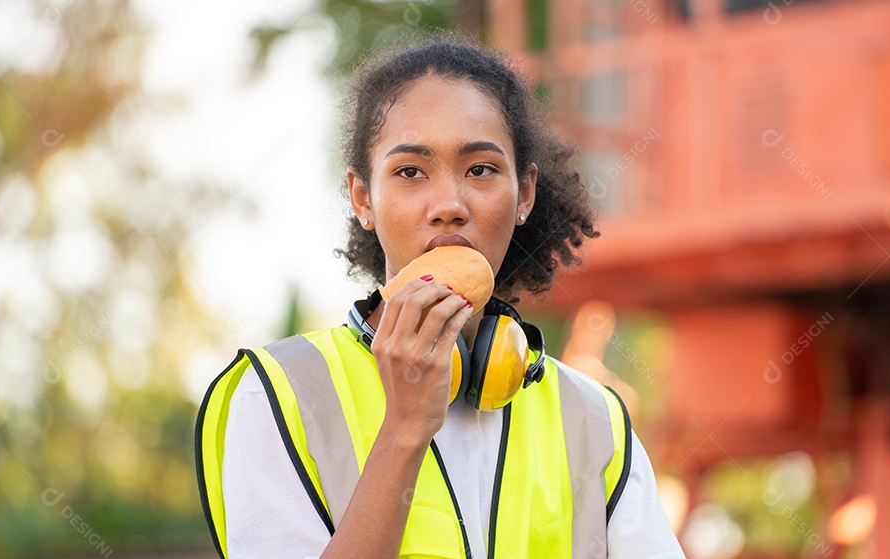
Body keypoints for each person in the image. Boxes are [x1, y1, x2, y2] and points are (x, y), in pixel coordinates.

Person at [195, 33, 685, 559]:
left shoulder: (594, 420)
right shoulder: (274, 395)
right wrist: (405, 430)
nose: (448, 204)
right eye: (410, 172)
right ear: (363, 198)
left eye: (480, 169)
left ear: (524, 194)